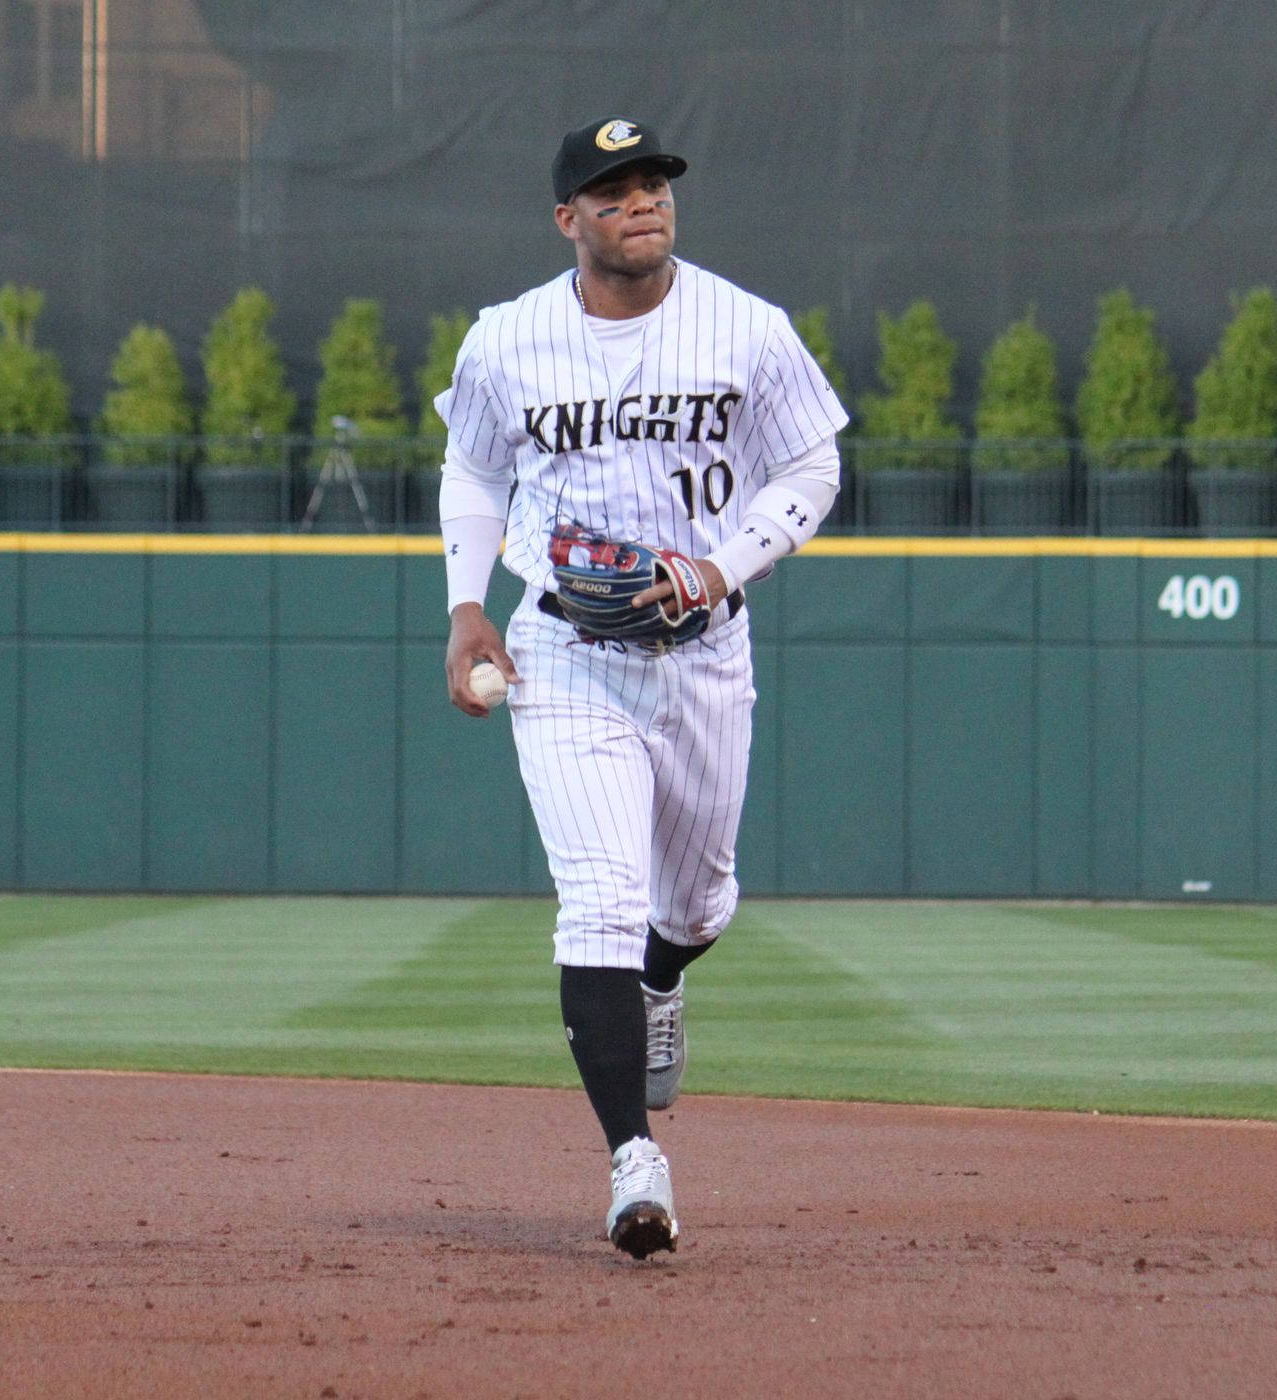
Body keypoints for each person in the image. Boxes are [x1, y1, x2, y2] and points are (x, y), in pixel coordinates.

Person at [436, 116, 847, 1259]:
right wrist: (468, 602)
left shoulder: (745, 329)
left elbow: (813, 458)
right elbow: (471, 466)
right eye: (610, 191)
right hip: (565, 649)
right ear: (567, 219)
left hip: (706, 648)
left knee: (697, 901)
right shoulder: (508, 341)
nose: (641, 203)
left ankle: (665, 976)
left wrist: (721, 562)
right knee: (599, 902)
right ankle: (633, 1161)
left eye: (652, 183)